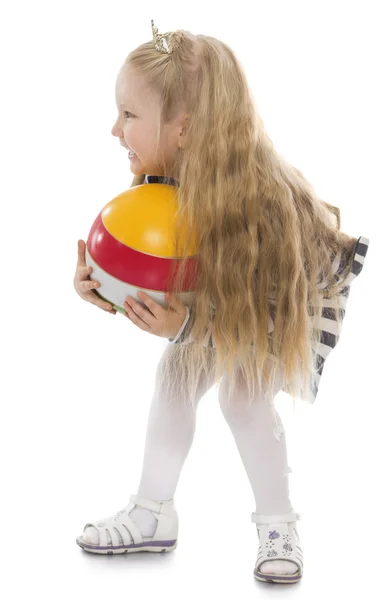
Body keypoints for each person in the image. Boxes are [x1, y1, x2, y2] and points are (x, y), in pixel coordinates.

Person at [73, 20, 370, 584]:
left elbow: (258, 315)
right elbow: (164, 265)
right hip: (221, 297)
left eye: (129, 115)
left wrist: (188, 325)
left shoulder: (260, 202)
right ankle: (152, 513)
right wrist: (104, 288)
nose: (115, 128)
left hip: (284, 299)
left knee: (243, 395)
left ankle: (279, 525)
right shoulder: (167, 172)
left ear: (182, 129)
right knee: (176, 377)